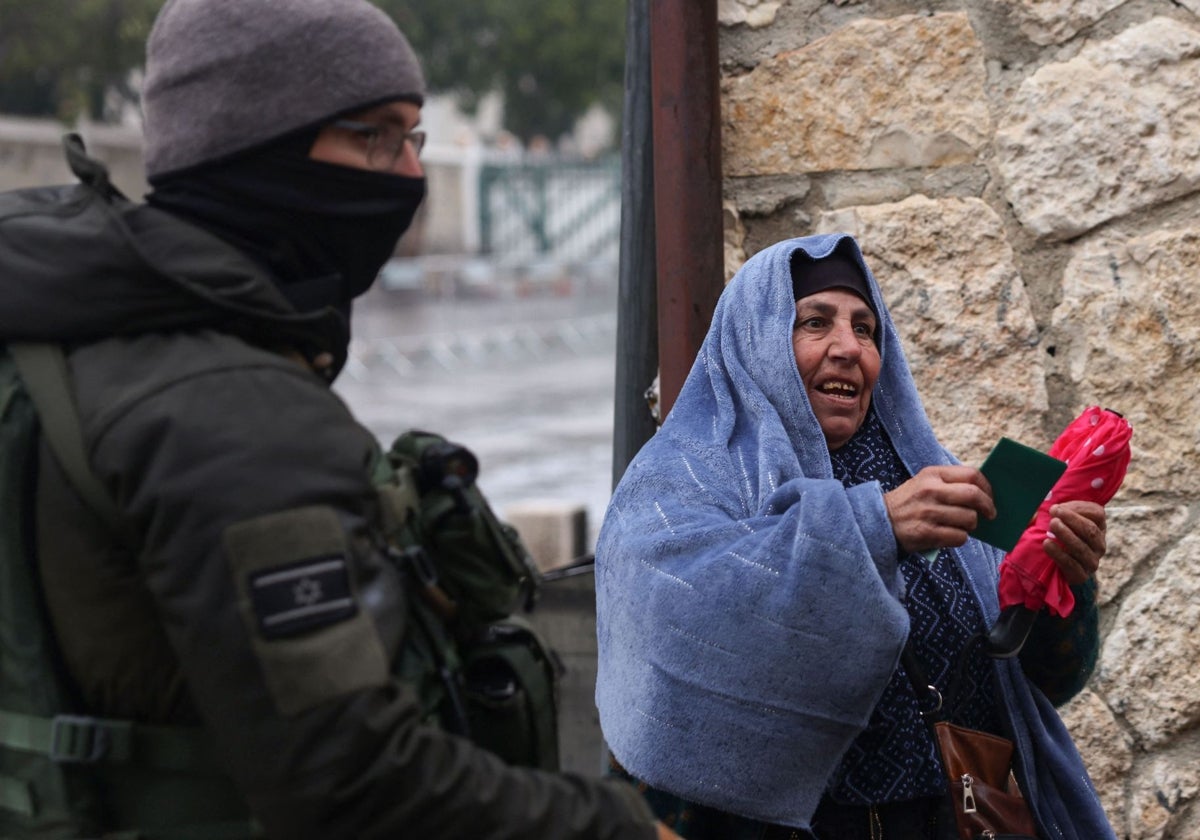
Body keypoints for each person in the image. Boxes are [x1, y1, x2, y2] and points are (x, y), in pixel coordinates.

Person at [0, 0, 680, 837]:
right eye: (374, 138)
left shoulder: (60, 338)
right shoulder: (238, 416)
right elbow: (357, 788)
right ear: (257, 151)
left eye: (413, 139)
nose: (407, 176)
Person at [594, 234, 1114, 839]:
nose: (848, 348)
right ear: (756, 340)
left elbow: (1048, 681)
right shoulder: (681, 480)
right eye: (815, 322)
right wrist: (876, 527)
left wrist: (1061, 582)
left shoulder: (929, 479)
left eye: (865, 329)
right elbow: (678, 630)